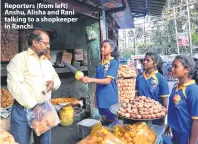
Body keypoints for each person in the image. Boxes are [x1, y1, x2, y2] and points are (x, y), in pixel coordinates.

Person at [7, 30, 61, 144]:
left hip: (43, 108)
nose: (48, 46)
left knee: (44, 142)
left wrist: (52, 84)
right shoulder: (19, 59)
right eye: (45, 43)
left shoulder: (46, 62)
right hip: (22, 110)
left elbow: (56, 80)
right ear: (35, 42)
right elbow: (14, 85)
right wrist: (34, 106)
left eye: (48, 43)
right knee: (21, 141)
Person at [82, 39, 119, 125]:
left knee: (112, 124)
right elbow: (98, 82)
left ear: (111, 49)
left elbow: (107, 81)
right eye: (102, 47)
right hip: (100, 97)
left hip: (110, 97)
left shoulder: (113, 63)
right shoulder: (99, 64)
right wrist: (95, 97)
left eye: (105, 47)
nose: (102, 49)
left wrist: (91, 79)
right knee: (104, 123)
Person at [168, 55, 198, 144]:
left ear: (187, 70)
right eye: (172, 66)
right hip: (175, 133)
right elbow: (174, 109)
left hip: (186, 137)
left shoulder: (193, 90)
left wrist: (192, 142)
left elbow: (196, 120)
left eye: (175, 66)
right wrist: (169, 125)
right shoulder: (176, 87)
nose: (172, 69)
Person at [135, 52, 169, 125]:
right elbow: (136, 96)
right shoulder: (139, 76)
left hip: (155, 116)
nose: (144, 62)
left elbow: (165, 102)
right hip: (141, 115)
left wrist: (163, 120)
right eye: (144, 60)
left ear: (155, 63)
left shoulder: (161, 79)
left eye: (148, 60)